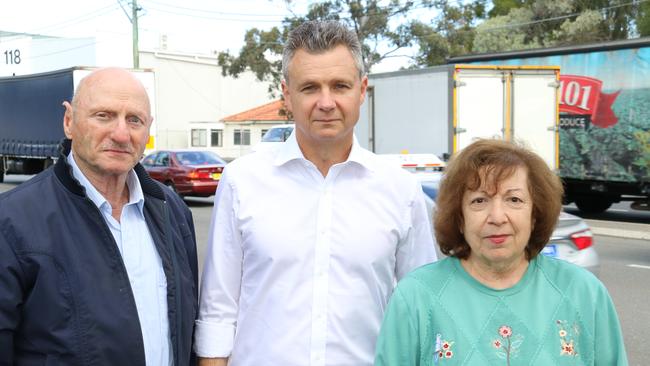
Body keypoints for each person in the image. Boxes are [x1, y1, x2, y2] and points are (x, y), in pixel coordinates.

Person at [194, 20, 437, 366]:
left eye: (340, 86)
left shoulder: (400, 189)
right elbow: (218, 310)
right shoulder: (241, 181)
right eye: (310, 88)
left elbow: (422, 309)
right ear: (286, 94)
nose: (326, 102)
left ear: (362, 90)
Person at [0, 68, 198, 365]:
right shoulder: (12, 220)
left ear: (148, 128)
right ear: (69, 122)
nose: (121, 134)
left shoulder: (172, 210)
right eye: (103, 115)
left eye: (135, 120)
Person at [375, 139, 628, 365]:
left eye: (514, 200)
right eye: (479, 201)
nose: (497, 217)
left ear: (534, 214)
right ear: (460, 217)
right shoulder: (416, 297)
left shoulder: (584, 292)